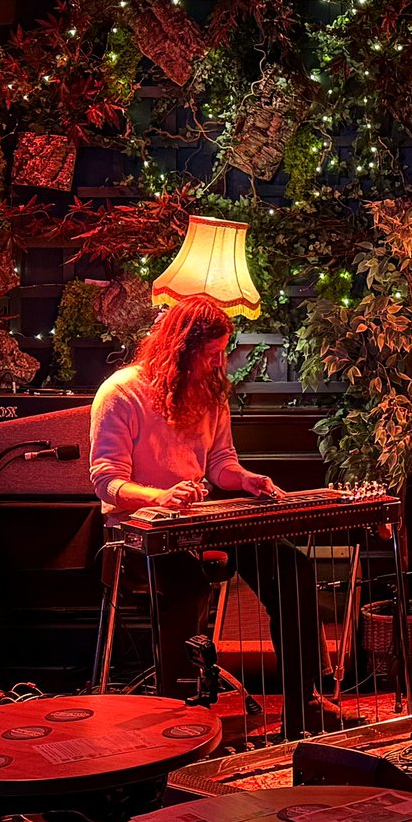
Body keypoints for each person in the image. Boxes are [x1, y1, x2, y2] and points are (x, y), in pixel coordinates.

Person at [89, 294, 349, 737]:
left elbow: (221, 462)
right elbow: (106, 481)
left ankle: (302, 703)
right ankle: (180, 716)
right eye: (211, 354)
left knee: (292, 567)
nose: (219, 363)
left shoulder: (209, 391)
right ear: (181, 350)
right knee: (187, 586)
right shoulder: (121, 392)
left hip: (200, 519)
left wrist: (244, 479)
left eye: (222, 353)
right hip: (136, 533)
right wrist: (160, 496)